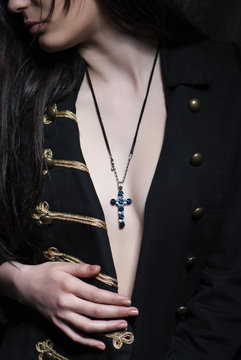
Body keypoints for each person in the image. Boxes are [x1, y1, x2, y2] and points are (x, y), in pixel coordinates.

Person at [0, 0, 241, 359]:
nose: (15, 3)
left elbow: (230, 284)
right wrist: (18, 281)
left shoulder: (224, 77)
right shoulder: (18, 93)